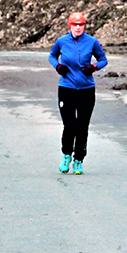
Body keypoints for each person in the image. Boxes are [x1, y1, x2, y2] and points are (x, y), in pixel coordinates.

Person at [49, 12, 108, 175]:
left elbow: (103, 59)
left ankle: (78, 160)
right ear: (69, 25)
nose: (78, 27)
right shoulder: (61, 41)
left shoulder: (92, 42)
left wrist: (94, 67)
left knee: (83, 126)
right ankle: (66, 155)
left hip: (86, 90)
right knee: (70, 125)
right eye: (75, 24)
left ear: (84, 26)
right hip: (67, 88)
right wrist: (58, 66)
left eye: (81, 24)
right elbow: (52, 55)